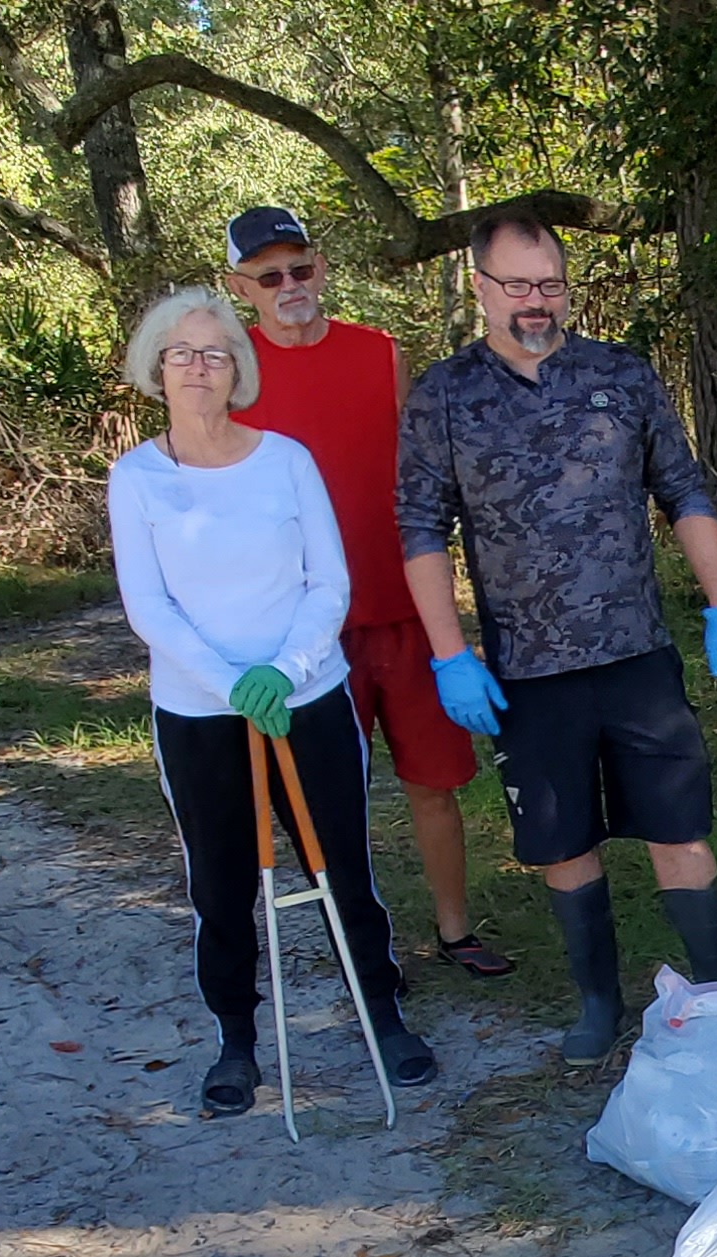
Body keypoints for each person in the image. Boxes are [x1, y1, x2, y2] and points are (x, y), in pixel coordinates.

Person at [395, 214, 717, 1065]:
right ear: (479, 288)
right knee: (564, 842)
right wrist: (450, 653)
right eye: (517, 285)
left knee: (679, 829)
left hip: (636, 655)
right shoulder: (445, 396)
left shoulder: (619, 375)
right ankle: (599, 1002)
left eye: (550, 284)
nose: (535, 302)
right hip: (528, 670)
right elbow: (419, 529)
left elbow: (683, 492)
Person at [106, 288, 435, 1115]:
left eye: (215, 353)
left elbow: (329, 584)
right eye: (182, 353)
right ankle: (236, 1040)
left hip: (308, 699)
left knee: (343, 868)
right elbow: (149, 609)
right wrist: (232, 686)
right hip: (199, 712)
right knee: (219, 885)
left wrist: (283, 673)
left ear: (238, 371)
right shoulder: (137, 476)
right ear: (156, 367)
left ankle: (381, 1014)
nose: (198, 367)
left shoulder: (285, 459)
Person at [220, 204, 515, 979]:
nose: (291, 286)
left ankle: (455, 932)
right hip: (304, 629)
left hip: (405, 611)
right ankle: (361, 951)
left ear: (321, 268)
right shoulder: (229, 372)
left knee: (434, 783)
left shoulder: (379, 353)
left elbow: (422, 475)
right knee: (327, 803)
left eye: (302, 268)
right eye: (271, 275)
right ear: (239, 286)